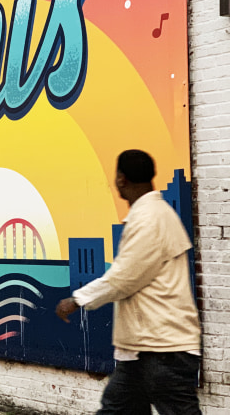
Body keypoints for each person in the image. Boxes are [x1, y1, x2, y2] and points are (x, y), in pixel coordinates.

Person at [55, 149, 202, 414]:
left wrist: (77, 299)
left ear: (121, 179)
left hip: (162, 350)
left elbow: (123, 278)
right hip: (143, 349)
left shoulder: (149, 220)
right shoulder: (157, 214)